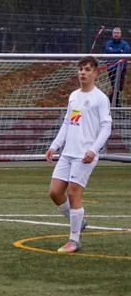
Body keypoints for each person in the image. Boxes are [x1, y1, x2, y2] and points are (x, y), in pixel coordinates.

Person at [45, 56, 112, 253]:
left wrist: (94, 150)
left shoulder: (100, 98)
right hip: (68, 153)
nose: (83, 72)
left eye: (87, 69)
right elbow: (69, 122)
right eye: (81, 69)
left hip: (84, 155)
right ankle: (78, 221)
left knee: (73, 193)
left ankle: (74, 240)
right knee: (54, 192)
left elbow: (106, 127)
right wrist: (54, 146)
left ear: (95, 73)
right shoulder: (74, 96)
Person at [104, 27, 129, 106]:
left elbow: (126, 51)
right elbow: (108, 50)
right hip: (112, 68)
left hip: (121, 68)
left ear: (120, 34)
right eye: (115, 33)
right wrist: (119, 50)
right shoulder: (109, 43)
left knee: (119, 88)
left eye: (118, 33)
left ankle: (108, 102)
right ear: (112, 34)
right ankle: (116, 105)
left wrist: (114, 51)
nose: (116, 34)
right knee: (115, 87)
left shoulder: (125, 44)